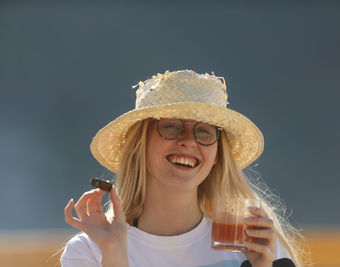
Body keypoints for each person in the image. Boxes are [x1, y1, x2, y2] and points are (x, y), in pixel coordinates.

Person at [61, 70, 306, 267]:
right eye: (170, 127)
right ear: (140, 145)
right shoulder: (90, 250)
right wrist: (114, 257)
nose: (188, 140)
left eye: (204, 131)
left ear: (217, 155)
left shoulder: (257, 246)